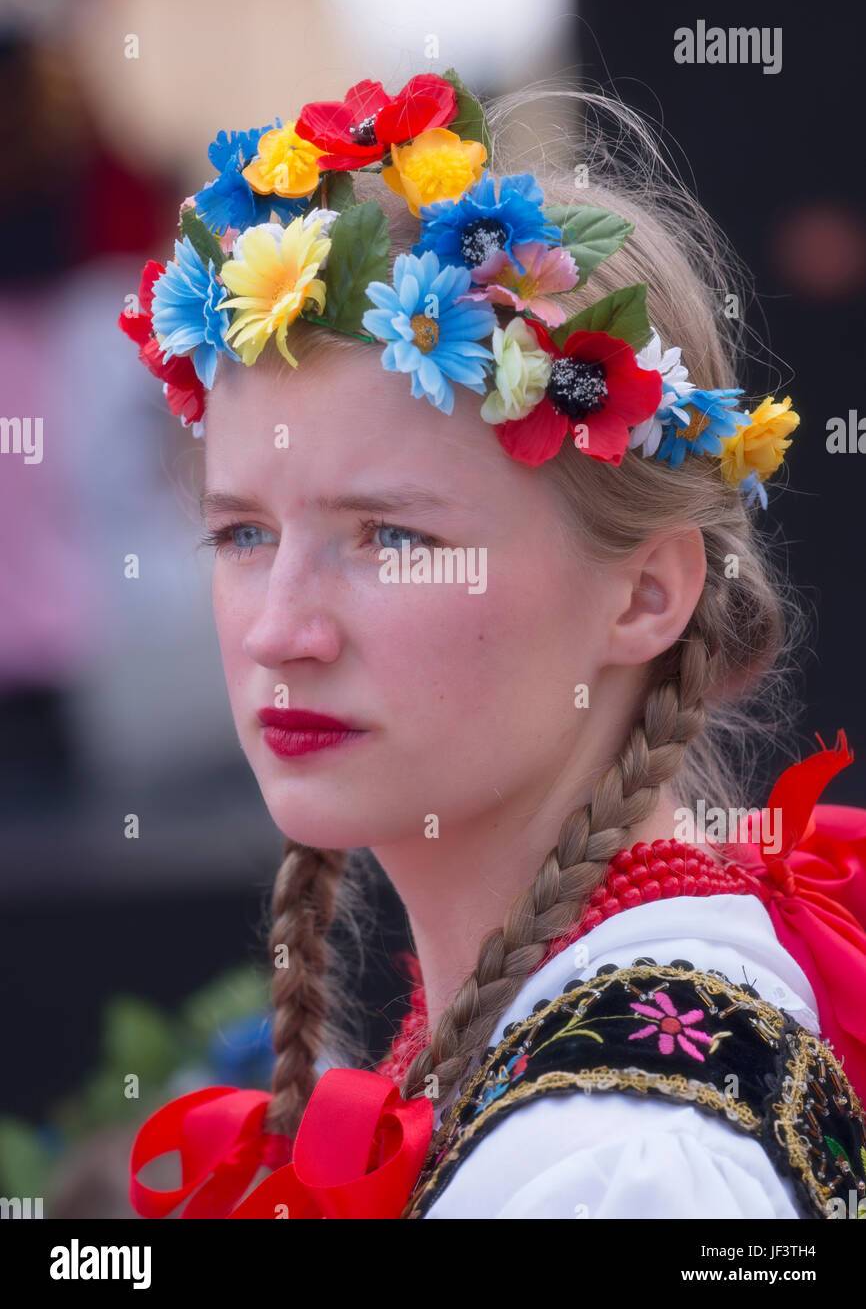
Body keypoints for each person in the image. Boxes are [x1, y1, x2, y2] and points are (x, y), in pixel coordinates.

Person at [122, 72, 866, 1220]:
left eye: (389, 536)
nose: (279, 629)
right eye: (242, 533)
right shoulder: (581, 1063)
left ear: (642, 597)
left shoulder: (616, 1172)